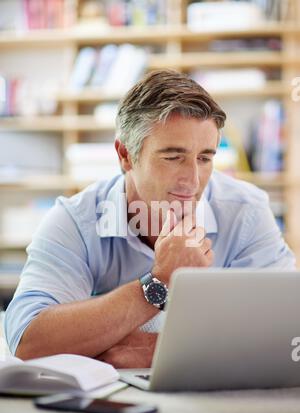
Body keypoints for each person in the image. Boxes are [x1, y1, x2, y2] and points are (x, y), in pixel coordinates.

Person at [4, 70, 296, 367]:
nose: (193, 180)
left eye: (205, 158)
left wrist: (155, 350)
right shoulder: (76, 221)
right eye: (173, 157)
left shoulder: (246, 212)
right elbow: (28, 341)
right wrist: (160, 281)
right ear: (125, 155)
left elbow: (289, 335)